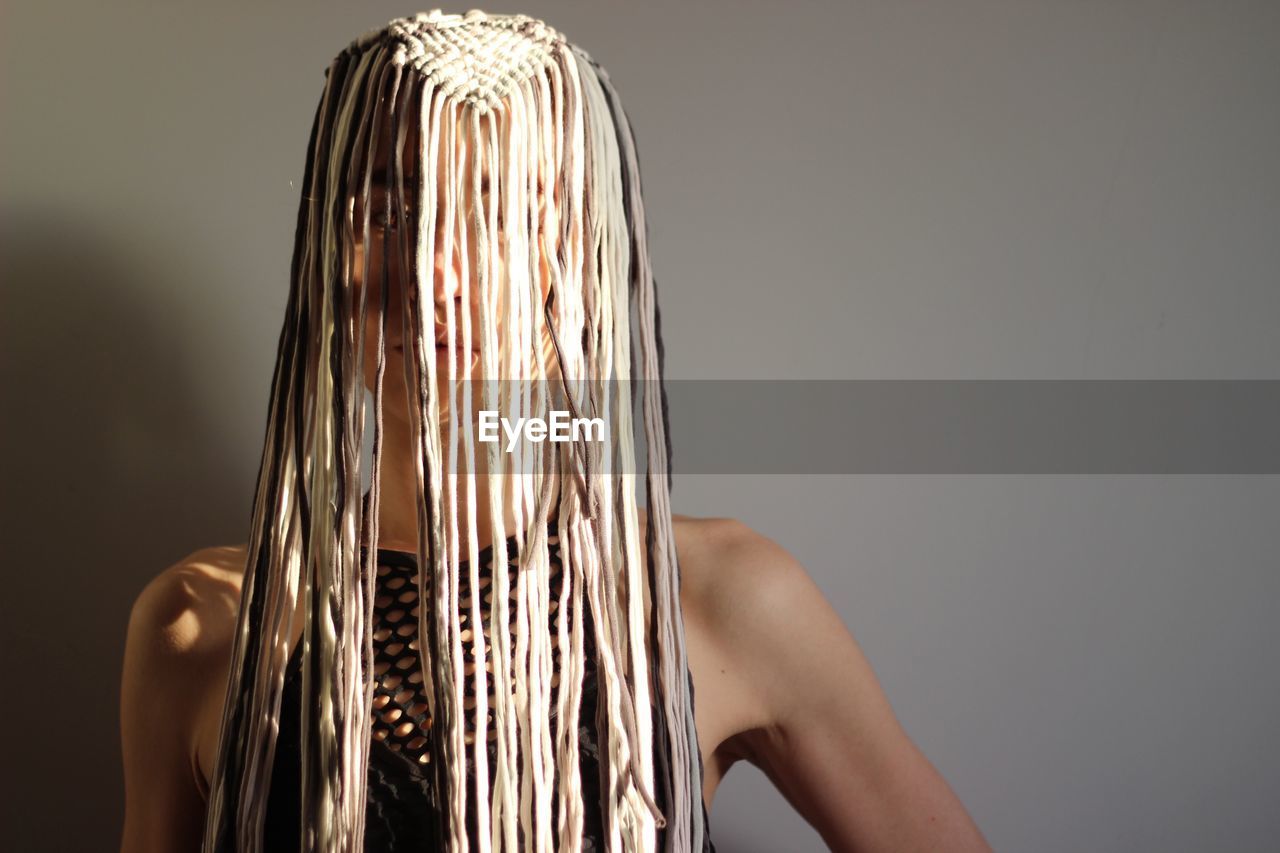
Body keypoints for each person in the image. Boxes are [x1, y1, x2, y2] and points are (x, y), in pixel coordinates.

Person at [120, 9, 992, 852]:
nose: (436, 277)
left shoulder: (716, 600)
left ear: (575, 249)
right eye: (386, 212)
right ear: (320, 241)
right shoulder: (201, 628)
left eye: (496, 213)